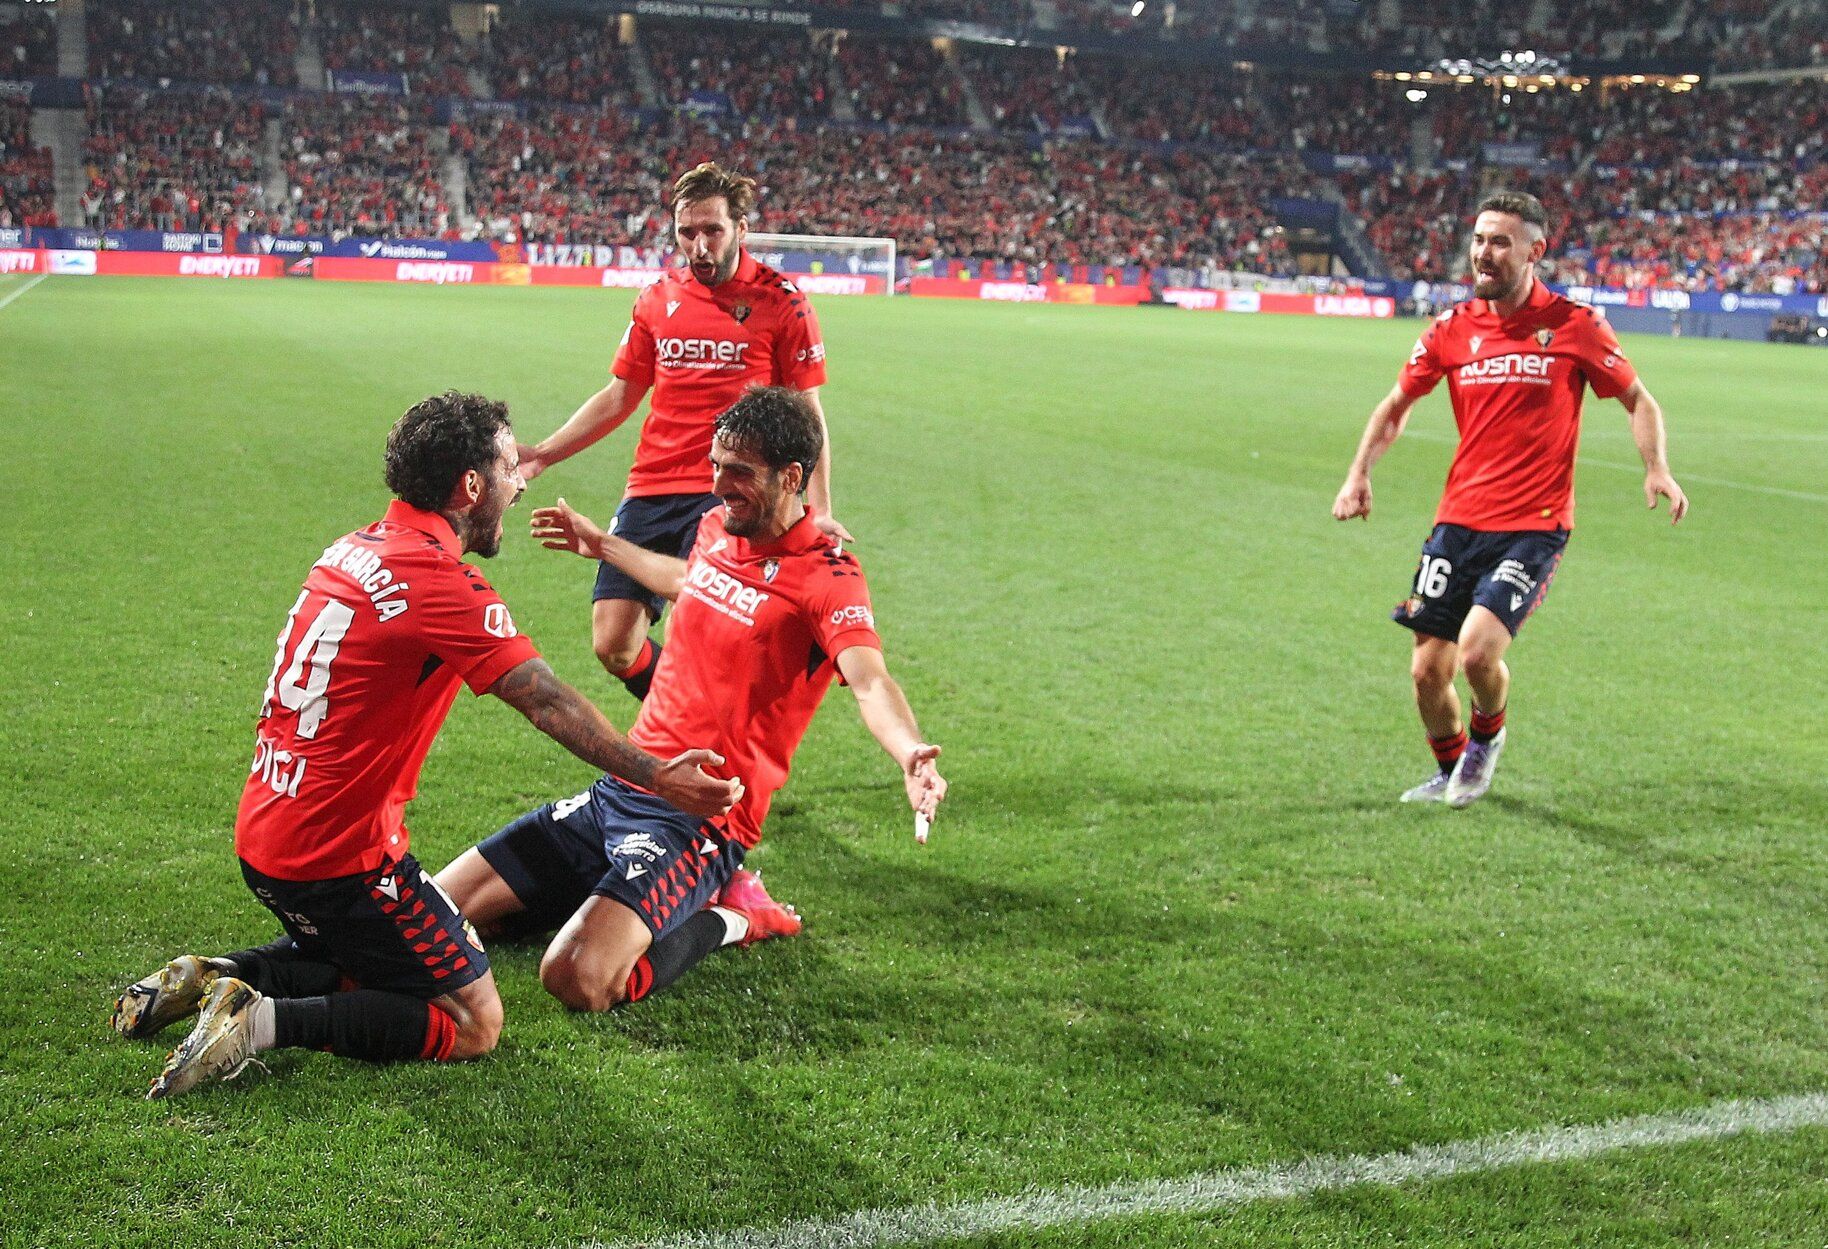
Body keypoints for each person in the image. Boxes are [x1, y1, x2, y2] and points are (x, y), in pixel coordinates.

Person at [114, 392, 740, 1099]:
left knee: (381, 952)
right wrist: (659, 775)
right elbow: (545, 698)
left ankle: (217, 970)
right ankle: (255, 1021)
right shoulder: (440, 584)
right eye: (510, 465)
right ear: (471, 486)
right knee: (474, 1018)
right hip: (339, 860)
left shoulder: (353, 547)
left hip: (266, 832)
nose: (521, 479)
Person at [435, 387, 945, 1013]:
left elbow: (869, 680)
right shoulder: (715, 528)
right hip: (625, 783)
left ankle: (732, 913)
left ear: (792, 476)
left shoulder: (827, 574)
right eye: (714, 465)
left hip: (700, 819)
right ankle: (606, 903)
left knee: (577, 977)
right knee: (436, 915)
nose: (718, 483)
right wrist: (604, 547)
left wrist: (909, 752)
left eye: (738, 472)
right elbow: (688, 581)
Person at [1332, 190, 1688, 809]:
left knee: (1476, 652)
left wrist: (1656, 467)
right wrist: (1358, 472)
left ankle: (1486, 743)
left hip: (1534, 523)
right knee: (1425, 673)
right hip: (1457, 520)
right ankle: (1448, 768)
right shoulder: (1451, 329)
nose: (1483, 253)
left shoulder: (1575, 325)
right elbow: (1396, 407)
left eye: (1500, 242)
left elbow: (1639, 400)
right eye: (1478, 240)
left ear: (1535, 251)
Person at [516, 162, 849, 703]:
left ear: (740, 228)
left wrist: (820, 507)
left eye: (712, 230)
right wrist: (543, 455)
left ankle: (691, 753)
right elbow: (621, 395)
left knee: (694, 629)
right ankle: (697, 717)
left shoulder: (782, 302)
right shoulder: (656, 298)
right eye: (687, 233)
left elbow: (807, 412)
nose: (700, 245)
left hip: (730, 492)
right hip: (650, 485)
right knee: (614, 644)